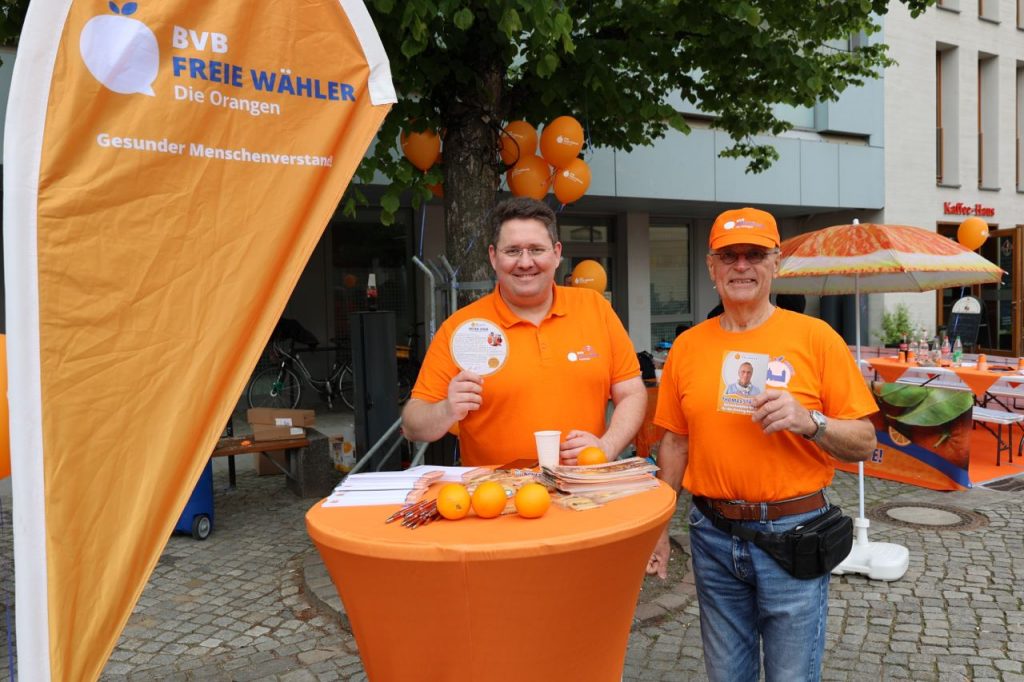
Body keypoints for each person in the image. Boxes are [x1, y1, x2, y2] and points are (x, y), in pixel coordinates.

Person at [645, 207, 877, 682]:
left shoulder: (815, 338)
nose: (742, 266)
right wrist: (658, 531)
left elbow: (864, 441)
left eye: (755, 254)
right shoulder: (688, 346)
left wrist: (810, 420)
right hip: (711, 535)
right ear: (711, 268)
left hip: (794, 534)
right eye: (729, 256)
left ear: (777, 264)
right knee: (727, 675)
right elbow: (673, 443)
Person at [402, 197, 647, 466]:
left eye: (536, 249)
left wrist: (607, 445)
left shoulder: (595, 309)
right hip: (495, 499)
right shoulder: (462, 328)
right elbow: (413, 425)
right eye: (513, 251)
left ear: (556, 253)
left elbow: (632, 393)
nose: (526, 262)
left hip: (583, 492)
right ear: (494, 257)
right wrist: (447, 409)